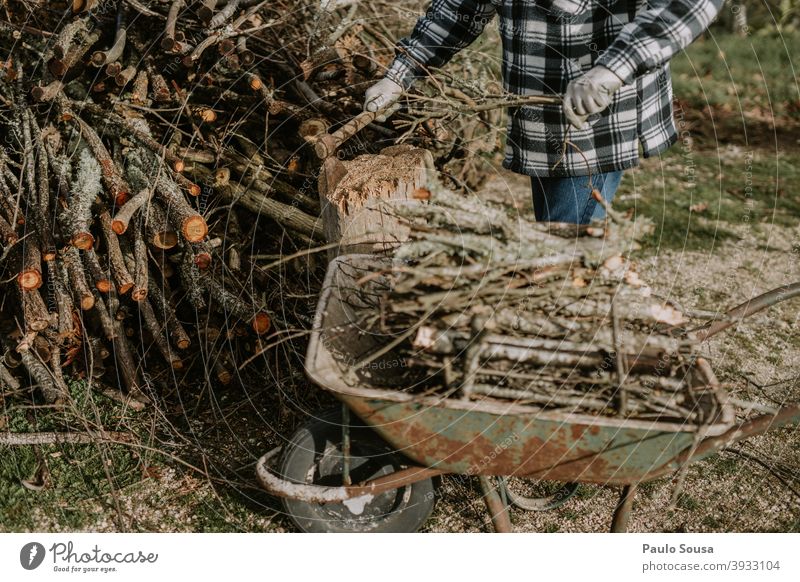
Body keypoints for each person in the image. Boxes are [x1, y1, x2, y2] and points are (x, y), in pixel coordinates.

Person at [363, 0, 723, 224]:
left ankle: (579, 341)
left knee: (566, 251)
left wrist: (613, 68)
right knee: (557, 241)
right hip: (539, 120)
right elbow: (459, 8)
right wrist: (400, 74)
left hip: (598, 122)